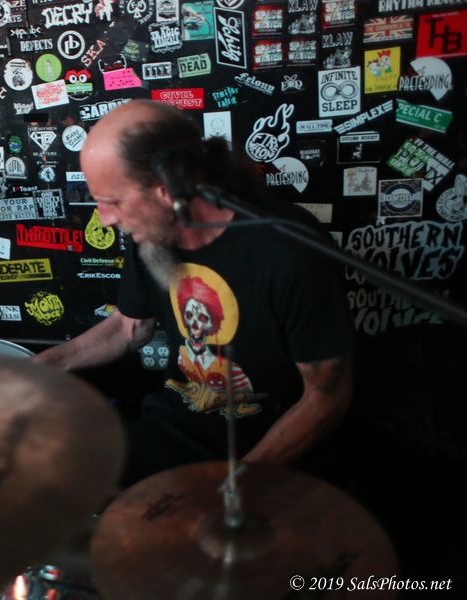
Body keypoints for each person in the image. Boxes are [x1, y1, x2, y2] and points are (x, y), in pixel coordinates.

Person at [33, 100, 354, 485]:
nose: (105, 219)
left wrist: (236, 486)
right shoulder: (152, 234)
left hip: (271, 445)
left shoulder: (288, 249)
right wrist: (38, 370)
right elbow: (127, 328)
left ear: (168, 187)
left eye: (113, 201)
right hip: (178, 429)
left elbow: (326, 397)